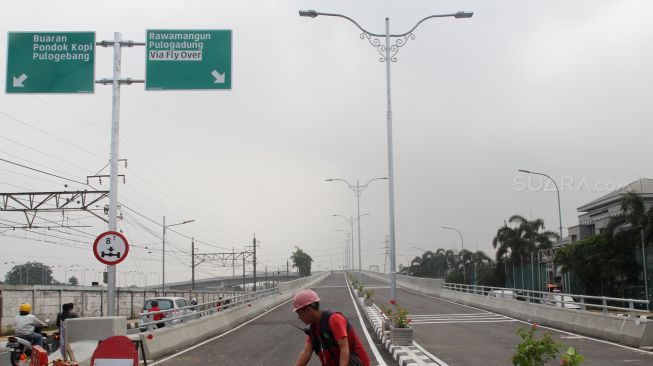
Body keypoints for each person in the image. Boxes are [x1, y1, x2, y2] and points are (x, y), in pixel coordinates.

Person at [292, 290, 370, 366]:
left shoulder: (334, 319)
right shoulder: (314, 328)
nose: (299, 317)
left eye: (299, 313)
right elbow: (306, 353)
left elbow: (344, 349)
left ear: (308, 310)